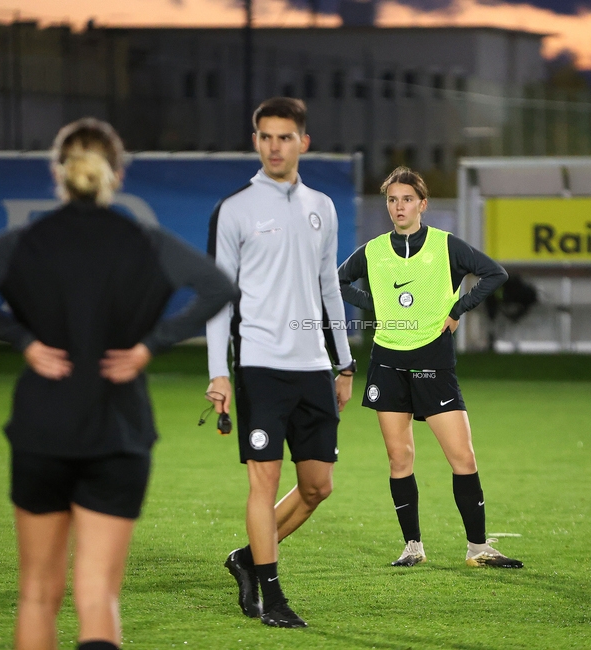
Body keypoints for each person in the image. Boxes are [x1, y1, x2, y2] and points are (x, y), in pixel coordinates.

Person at [0, 118, 238, 650]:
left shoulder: (25, 241)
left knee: (36, 594)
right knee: (98, 596)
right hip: (117, 430)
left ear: (57, 172)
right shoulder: (145, 243)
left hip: (41, 428)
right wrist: (150, 347)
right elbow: (217, 287)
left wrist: (21, 339)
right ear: (117, 174)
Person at [205, 97, 355, 628]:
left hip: (314, 366)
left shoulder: (323, 207)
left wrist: (344, 363)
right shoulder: (235, 209)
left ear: (303, 142)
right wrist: (218, 372)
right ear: (256, 142)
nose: (274, 146)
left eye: (284, 137)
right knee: (263, 481)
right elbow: (216, 299)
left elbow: (329, 290)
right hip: (260, 366)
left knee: (318, 485)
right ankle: (272, 594)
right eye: (265, 136)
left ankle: (247, 559)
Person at [337, 166, 523, 570]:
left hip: (432, 360)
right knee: (399, 458)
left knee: (463, 457)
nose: (398, 207)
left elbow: (495, 273)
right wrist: (375, 305)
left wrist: (459, 308)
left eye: (406, 199)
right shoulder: (373, 250)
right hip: (388, 360)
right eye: (391, 200)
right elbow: (337, 282)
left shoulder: (446, 245)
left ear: (423, 204)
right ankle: (412, 545)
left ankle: (478, 548)